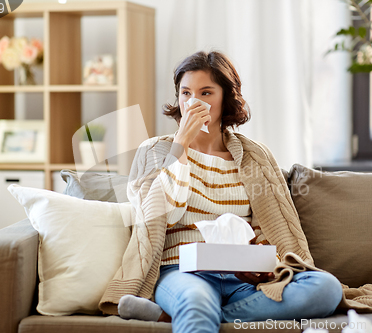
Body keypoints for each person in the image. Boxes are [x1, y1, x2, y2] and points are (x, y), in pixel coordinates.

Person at [100, 51, 343, 332]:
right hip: (182, 271)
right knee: (195, 300)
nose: (193, 102)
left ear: (225, 98)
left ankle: (171, 316)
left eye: (205, 92)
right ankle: (192, 310)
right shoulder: (155, 151)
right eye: (185, 93)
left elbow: (265, 231)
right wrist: (181, 144)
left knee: (324, 288)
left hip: (240, 280)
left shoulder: (256, 156)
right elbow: (165, 213)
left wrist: (262, 266)